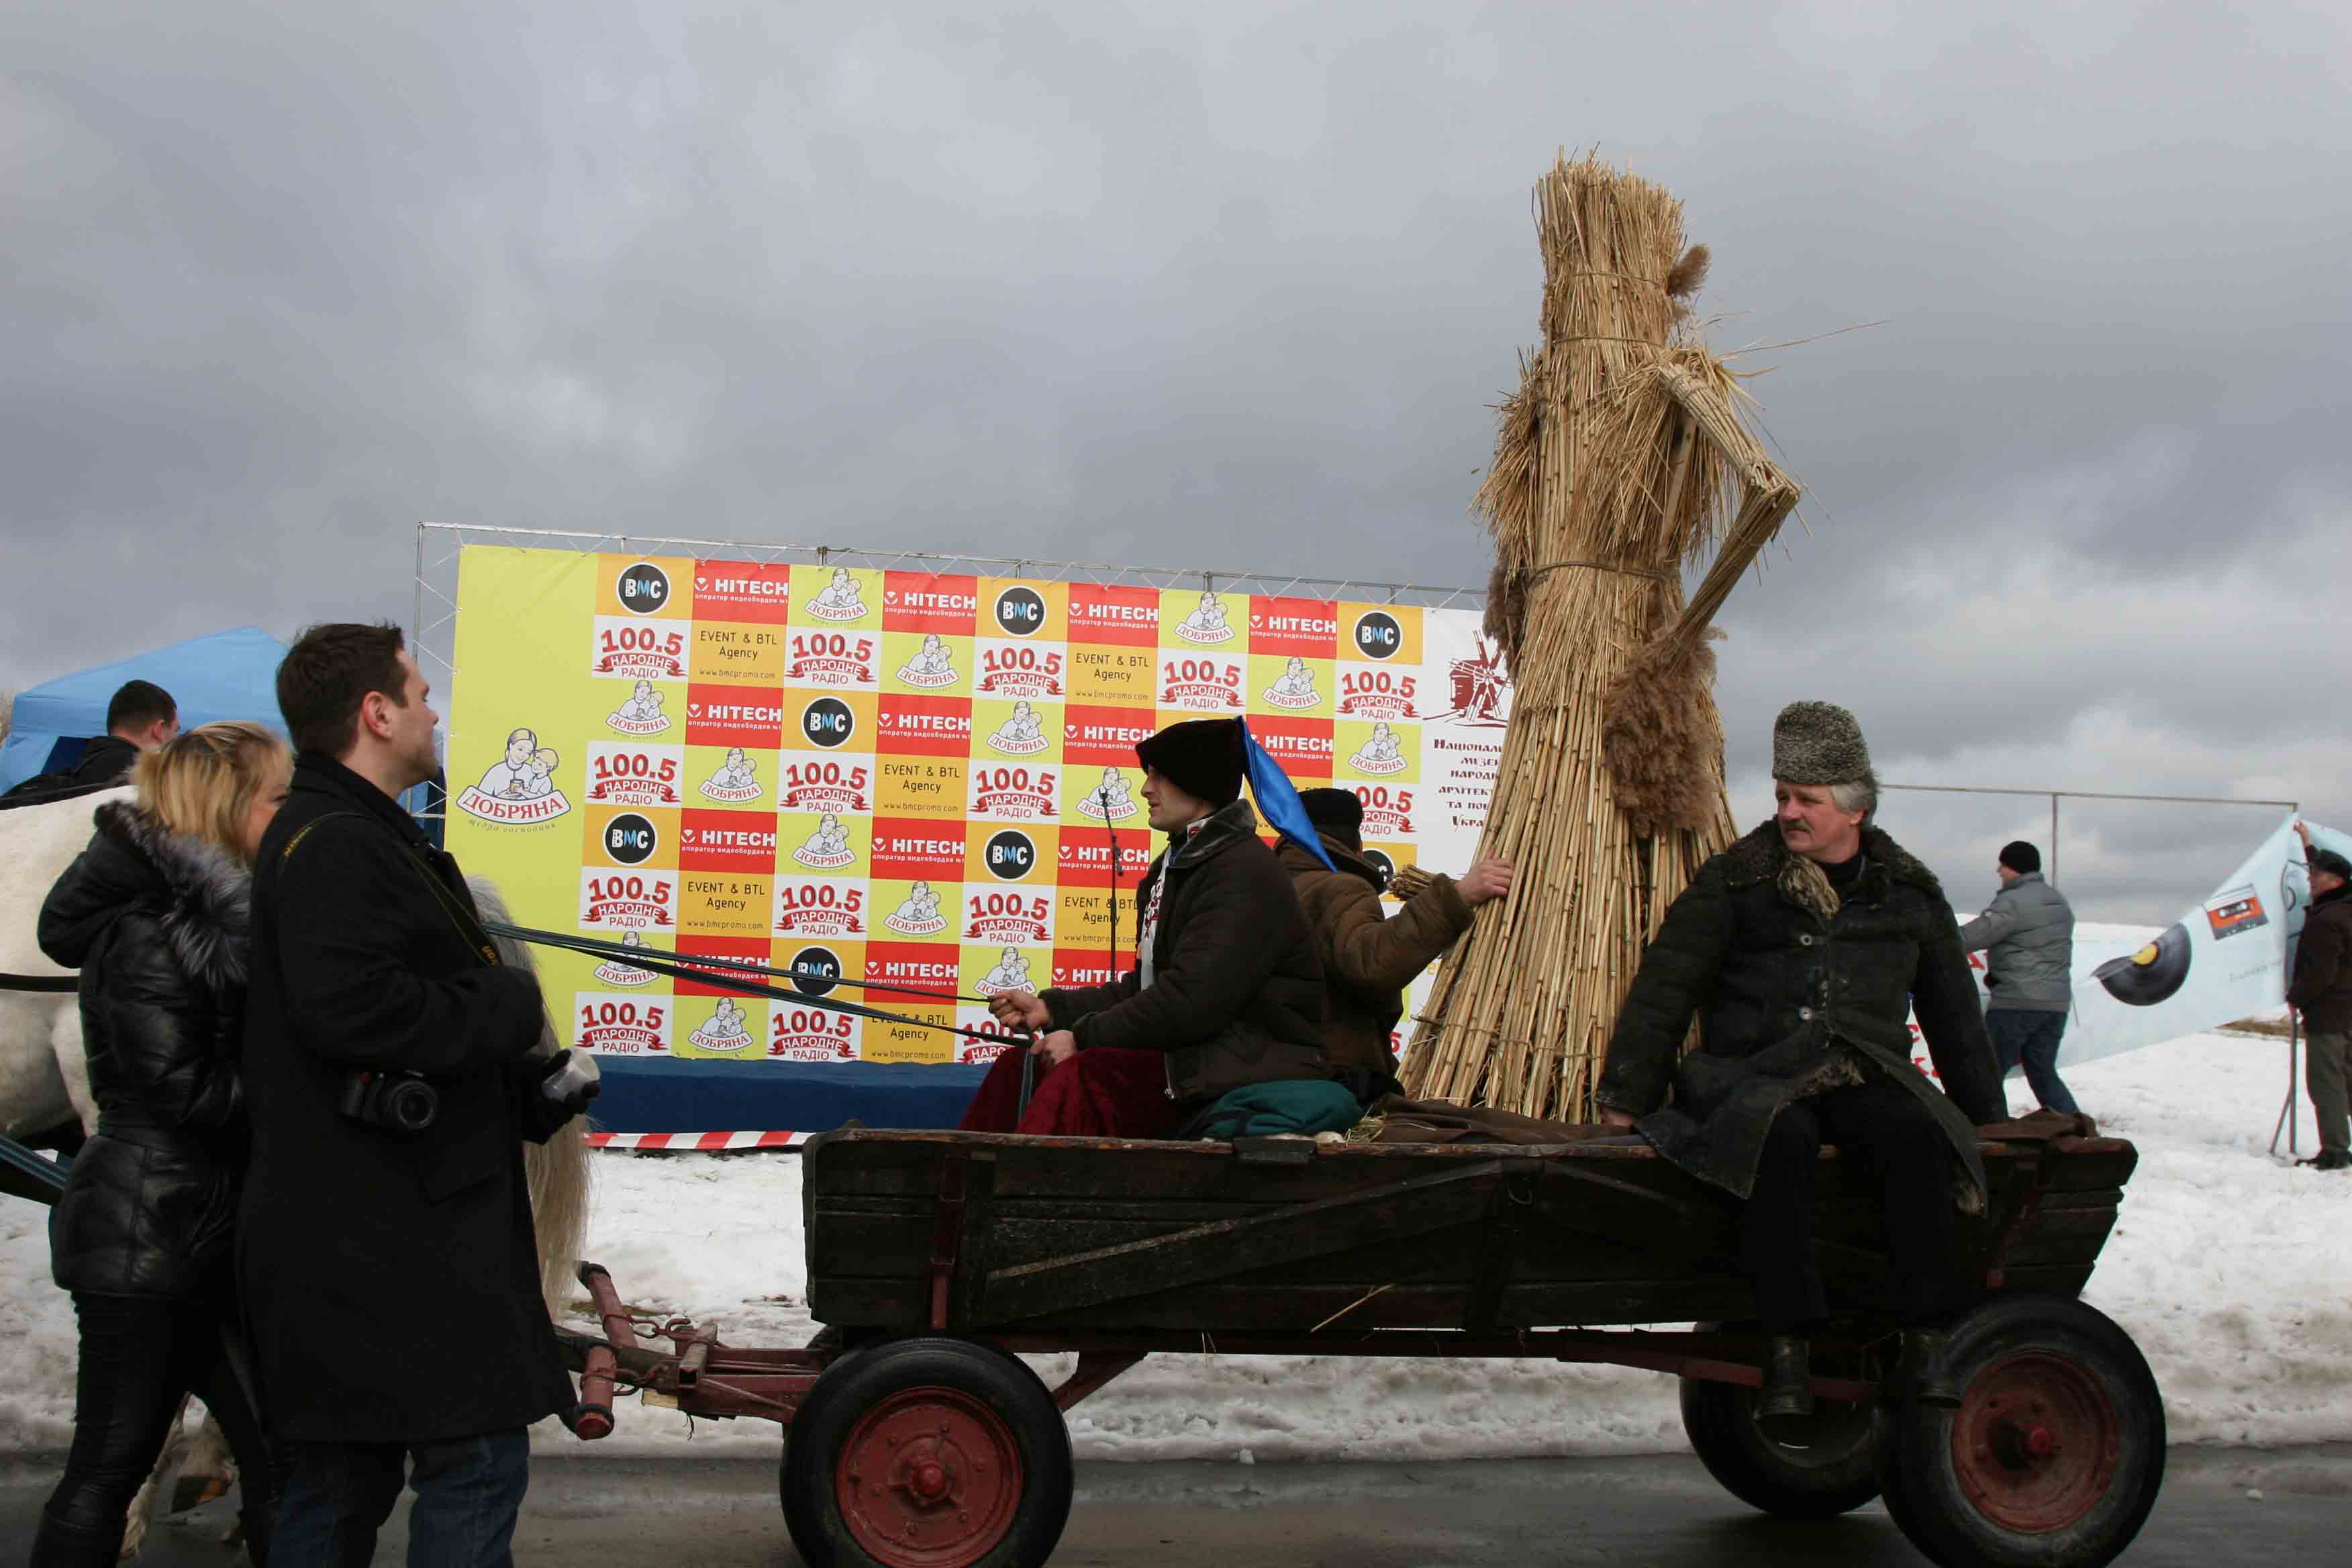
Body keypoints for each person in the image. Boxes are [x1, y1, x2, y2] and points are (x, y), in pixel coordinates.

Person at [240, 624, 593, 1565]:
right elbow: (357, 1013)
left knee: (343, 1484)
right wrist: (508, 1003)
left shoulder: (349, 834)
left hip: (377, 1233)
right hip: (388, 1242)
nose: (435, 714)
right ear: (376, 713)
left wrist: (523, 1095)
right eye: (421, 695)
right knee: (470, 1465)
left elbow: (380, 1035)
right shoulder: (335, 845)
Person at [1594, 701, 2006, 1424]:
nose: (1788, 812)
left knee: (1911, 1132)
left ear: (1857, 809)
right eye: (1783, 795)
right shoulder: (1738, 880)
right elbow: (1667, 985)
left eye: (1807, 799)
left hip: (1862, 1072)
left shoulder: (1908, 893)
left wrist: (1987, 1120)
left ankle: (1925, 1341)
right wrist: (1626, 1097)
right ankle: (1785, 1348)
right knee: (1775, 1139)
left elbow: (1956, 1019)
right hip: (1749, 1078)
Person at [30, 723, 290, 1565]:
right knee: (110, 1468)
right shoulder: (151, 928)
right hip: (150, 1237)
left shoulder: (196, 918)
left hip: (187, 1230)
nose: (287, 813)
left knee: (274, 1463)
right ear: (226, 805)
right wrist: (309, 1095)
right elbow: (183, 1091)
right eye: (276, 796)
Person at [965, 717, 1328, 1137]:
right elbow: (1147, 989)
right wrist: (1051, 1009)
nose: (1145, 789)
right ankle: (965, 1175)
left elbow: (1191, 1003)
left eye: (1158, 775)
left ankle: (1031, 1181)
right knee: (1022, 1065)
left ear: (1197, 781)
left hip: (1248, 1066)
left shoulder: (1242, 870)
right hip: (1194, 1055)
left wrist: (1081, 1038)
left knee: (1082, 1078)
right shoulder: (1177, 864)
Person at [1282, 787, 1514, 1104]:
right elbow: (1372, 962)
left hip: (1285, 1078)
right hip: (1332, 1083)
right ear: (1356, 844)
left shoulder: (1275, 887)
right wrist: (1456, 897)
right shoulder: (1338, 888)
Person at [1958, 840, 2080, 1116]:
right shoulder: (2059, 902)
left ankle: (1984, 1129)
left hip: (2017, 1002)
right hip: (2056, 1006)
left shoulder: (2013, 902)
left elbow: (1975, 936)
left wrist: (1935, 939)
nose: (1999, 870)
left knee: (1987, 1073)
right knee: (2043, 1072)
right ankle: (2076, 1126)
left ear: (2015, 867)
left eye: (2003, 864)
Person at [2288, 820, 2351, 1171]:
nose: (2310, 879)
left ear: (2336, 881)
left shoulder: (2327, 921)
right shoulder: (2346, 908)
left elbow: (2320, 974)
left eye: (2317, 875)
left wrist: (2296, 996)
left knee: (2327, 1083)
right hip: (2348, 1011)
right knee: (2348, 1081)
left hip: (2329, 1014)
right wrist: (2307, 842)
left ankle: (2336, 1151)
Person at [3, 680, 179, 804]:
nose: (176, 739)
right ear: (159, 730)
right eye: (176, 730)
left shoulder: (73, 775)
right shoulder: (151, 788)